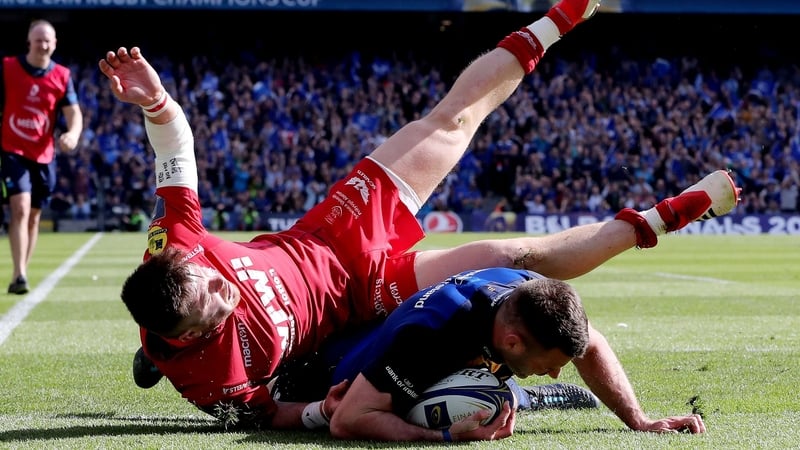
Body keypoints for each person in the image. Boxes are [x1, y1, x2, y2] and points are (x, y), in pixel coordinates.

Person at [99, 0, 739, 433]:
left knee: (450, 119)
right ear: (190, 335)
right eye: (215, 297)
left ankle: (558, 17)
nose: (222, 278)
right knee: (515, 262)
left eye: (209, 273)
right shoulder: (212, 382)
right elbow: (269, 414)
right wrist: (321, 413)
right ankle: (659, 219)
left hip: (330, 231)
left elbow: (175, 150)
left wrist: (155, 100)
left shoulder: (175, 247)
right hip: (357, 301)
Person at [272, 267, 706, 442]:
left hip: (451, 351)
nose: (558, 373)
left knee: (487, 384)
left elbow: (591, 343)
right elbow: (348, 419)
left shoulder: (530, 294)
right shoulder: (435, 337)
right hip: (333, 375)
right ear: (513, 341)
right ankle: (521, 396)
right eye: (551, 365)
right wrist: (444, 438)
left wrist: (641, 421)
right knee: (449, 402)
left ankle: (516, 393)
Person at [1, 19, 83, 294]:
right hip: (12, 149)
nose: (43, 45)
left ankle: (20, 273)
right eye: (38, 40)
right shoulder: (8, 67)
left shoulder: (61, 75)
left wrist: (72, 134)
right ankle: (19, 272)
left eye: (48, 40)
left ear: (55, 43)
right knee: (20, 207)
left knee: (34, 215)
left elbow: (74, 113)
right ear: (29, 41)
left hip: (44, 154)